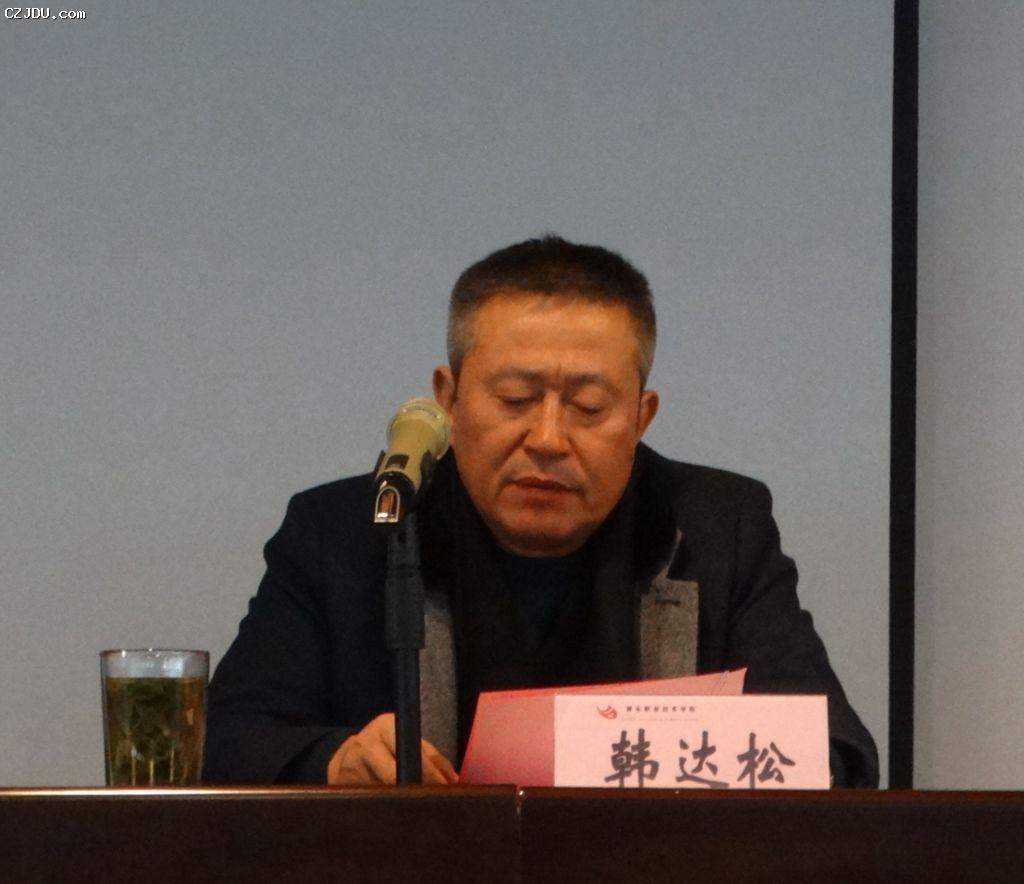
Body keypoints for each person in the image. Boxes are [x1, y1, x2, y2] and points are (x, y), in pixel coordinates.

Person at [204, 236, 879, 788]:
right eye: (516, 398)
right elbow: (225, 741)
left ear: (641, 417)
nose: (549, 438)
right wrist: (334, 759)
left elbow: (837, 750)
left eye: (589, 407)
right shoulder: (349, 531)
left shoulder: (716, 528)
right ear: (450, 399)